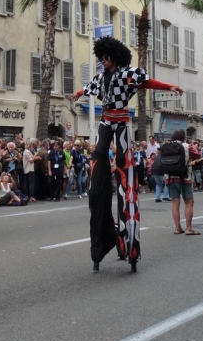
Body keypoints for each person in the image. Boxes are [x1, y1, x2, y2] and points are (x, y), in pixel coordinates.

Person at [70, 36, 184, 272]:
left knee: (122, 159)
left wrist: (169, 87)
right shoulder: (101, 76)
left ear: (115, 57)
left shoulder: (127, 74)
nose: (103, 61)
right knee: (100, 150)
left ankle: (127, 241)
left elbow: (148, 82)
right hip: (106, 121)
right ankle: (100, 176)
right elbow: (89, 88)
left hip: (121, 121)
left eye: (106, 57)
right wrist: (78, 92)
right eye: (101, 57)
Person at [166, 129, 200, 236]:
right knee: (189, 202)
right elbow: (197, 155)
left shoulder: (165, 145)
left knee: (175, 203)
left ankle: (177, 228)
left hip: (170, 176)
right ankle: (189, 228)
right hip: (184, 177)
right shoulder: (186, 146)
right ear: (183, 137)